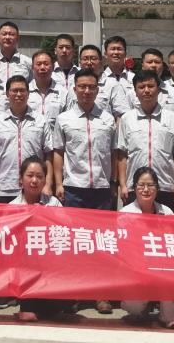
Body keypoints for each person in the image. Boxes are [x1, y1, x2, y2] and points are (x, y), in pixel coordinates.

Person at [52, 68, 116, 315]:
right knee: (74, 243)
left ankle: (101, 293)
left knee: (102, 244)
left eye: (91, 87)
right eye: (82, 87)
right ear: (74, 89)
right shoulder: (64, 119)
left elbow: (114, 153)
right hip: (74, 189)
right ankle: (75, 291)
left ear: (98, 90)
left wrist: (114, 182)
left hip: (101, 189)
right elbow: (58, 152)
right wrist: (59, 183)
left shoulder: (108, 119)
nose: (86, 91)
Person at [114, 71, 174, 211]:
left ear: (158, 90)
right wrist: (123, 185)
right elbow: (122, 155)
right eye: (141, 87)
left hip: (166, 186)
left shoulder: (172, 118)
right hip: (136, 187)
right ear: (135, 92)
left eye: (151, 86)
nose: (146, 90)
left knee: (167, 224)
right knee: (135, 224)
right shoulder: (127, 119)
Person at [119, 167, 174, 329]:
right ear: (134, 188)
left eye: (150, 185)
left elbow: (173, 244)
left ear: (157, 188)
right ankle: (140, 309)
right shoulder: (125, 213)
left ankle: (168, 315)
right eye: (141, 185)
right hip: (135, 268)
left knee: (169, 272)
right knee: (133, 307)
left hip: (161, 266)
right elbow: (121, 248)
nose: (145, 190)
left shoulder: (167, 212)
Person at [9, 156, 63, 322]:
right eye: (30, 175)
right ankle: (27, 305)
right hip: (23, 264)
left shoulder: (53, 203)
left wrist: (44, 216)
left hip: (50, 260)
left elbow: (63, 231)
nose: (34, 180)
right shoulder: (12, 207)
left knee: (58, 311)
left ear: (45, 180)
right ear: (21, 179)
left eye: (39, 177)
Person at [0, 75, 52, 203]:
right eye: (14, 90)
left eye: (22, 90)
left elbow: (48, 156)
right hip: (4, 188)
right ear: (7, 94)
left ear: (28, 93)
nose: (18, 94)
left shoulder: (41, 121)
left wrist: (48, 184)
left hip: (34, 188)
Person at [97, 36, 134, 116]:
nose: (116, 52)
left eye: (119, 49)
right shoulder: (98, 79)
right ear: (105, 54)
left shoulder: (134, 79)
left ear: (125, 54)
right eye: (113, 49)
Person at [28, 49, 66, 125]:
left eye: (46, 64)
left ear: (53, 67)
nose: (42, 67)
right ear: (32, 67)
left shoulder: (63, 93)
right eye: (38, 64)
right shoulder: (24, 92)